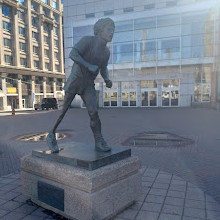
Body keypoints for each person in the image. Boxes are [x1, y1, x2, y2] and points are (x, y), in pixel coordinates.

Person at [46, 18, 115, 153]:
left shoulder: (106, 52)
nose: (111, 33)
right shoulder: (88, 40)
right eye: (109, 29)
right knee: (63, 111)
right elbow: (73, 54)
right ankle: (51, 134)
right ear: (100, 31)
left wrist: (107, 79)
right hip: (76, 79)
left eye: (113, 30)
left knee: (94, 112)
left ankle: (99, 141)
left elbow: (103, 68)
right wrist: (88, 65)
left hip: (88, 84)